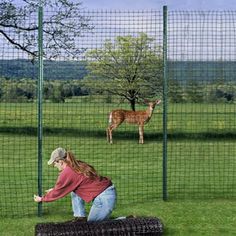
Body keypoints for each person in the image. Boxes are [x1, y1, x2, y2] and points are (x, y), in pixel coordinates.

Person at [34, 147, 117, 222]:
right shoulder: (76, 164)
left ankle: (126, 221)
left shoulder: (67, 172)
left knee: (92, 228)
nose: (54, 166)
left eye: (54, 164)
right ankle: (80, 217)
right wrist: (54, 189)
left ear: (60, 161)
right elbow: (69, 185)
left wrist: (41, 199)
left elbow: (58, 192)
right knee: (74, 190)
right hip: (107, 192)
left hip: (103, 199)